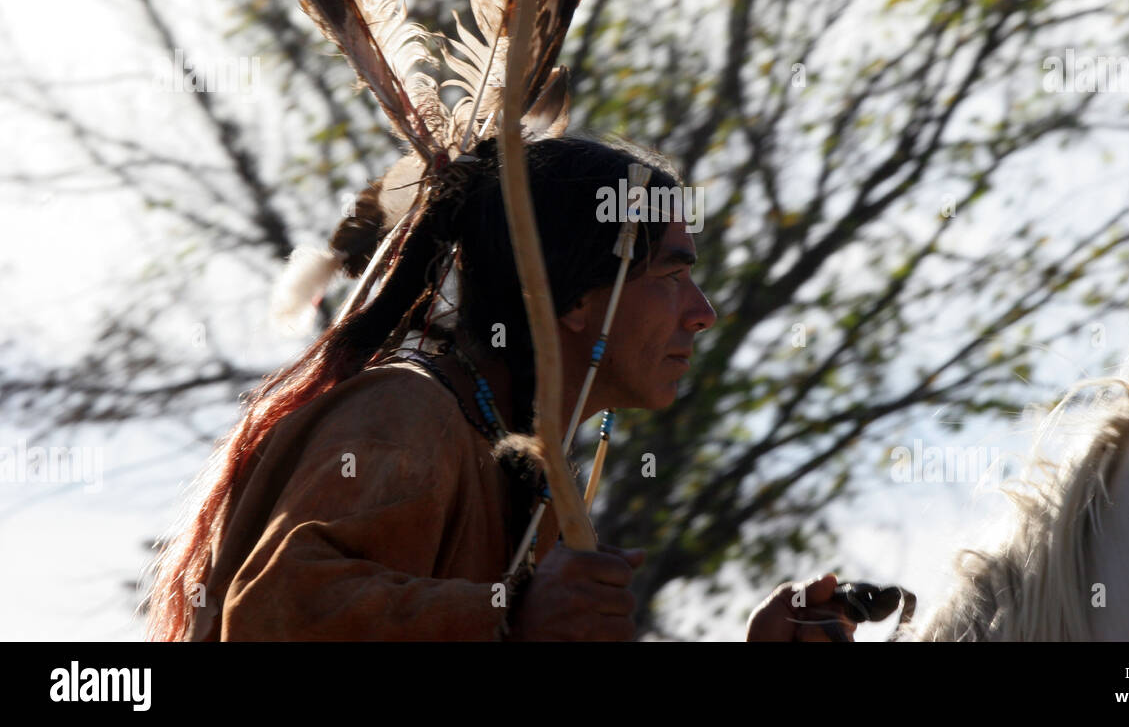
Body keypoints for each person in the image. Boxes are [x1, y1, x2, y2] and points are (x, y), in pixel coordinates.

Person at [144, 134, 858, 641]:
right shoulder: (405, 415)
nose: (703, 313)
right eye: (671, 276)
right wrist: (510, 616)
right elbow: (272, 616)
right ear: (574, 297)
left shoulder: (523, 468)